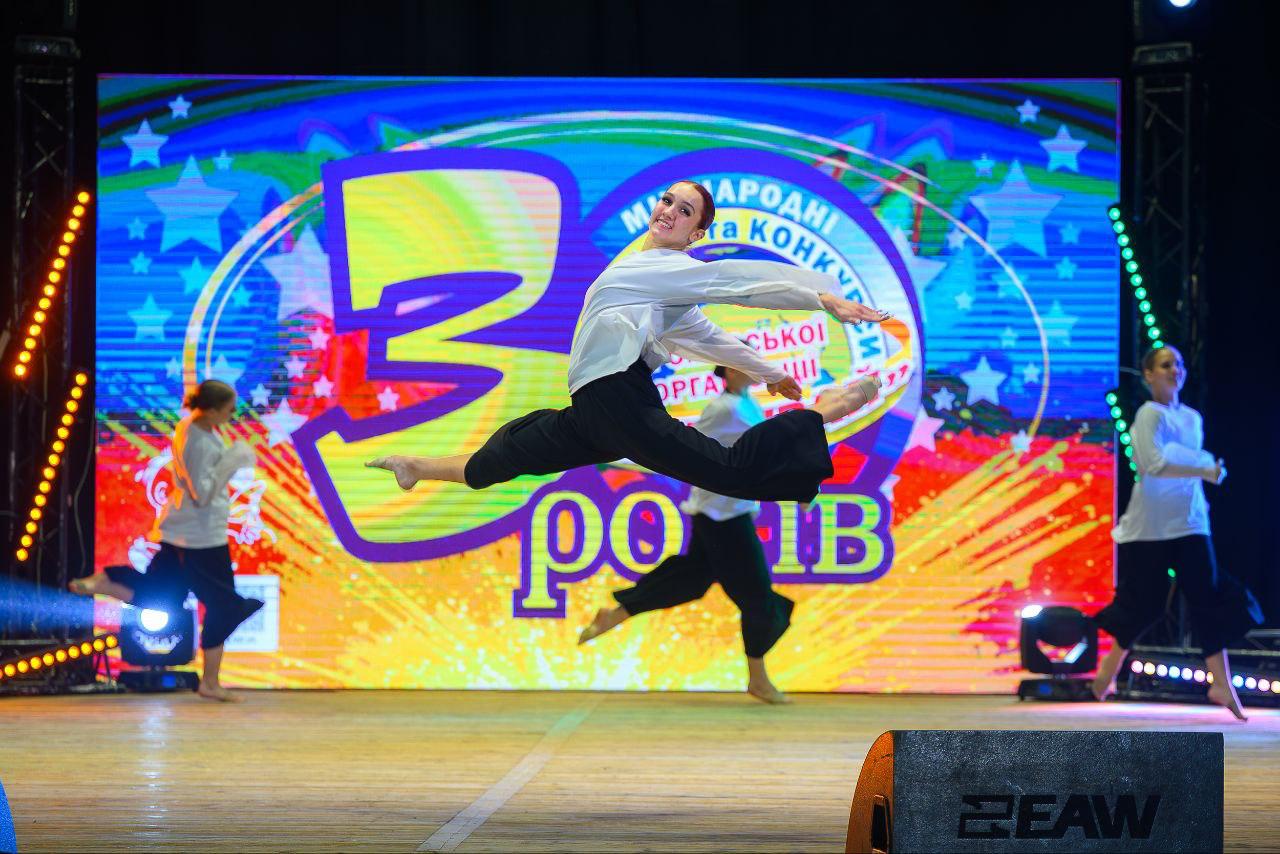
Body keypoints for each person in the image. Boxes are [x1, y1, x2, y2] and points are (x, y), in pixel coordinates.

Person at [366, 180, 887, 505]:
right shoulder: (646, 274)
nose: (670, 211)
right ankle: (415, 467)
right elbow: (710, 337)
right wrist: (772, 372)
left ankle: (828, 408)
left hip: (620, 402)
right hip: (593, 412)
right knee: (498, 461)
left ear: (695, 235)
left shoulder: (667, 271)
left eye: (685, 211)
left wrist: (820, 300)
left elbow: (736, 285)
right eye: (668, 200)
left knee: (732, 470)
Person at [578, 364, 798, 704]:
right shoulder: (722, 409)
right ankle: (758, 679)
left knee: (688, 581)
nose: (752, 367)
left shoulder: (747, 403)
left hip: (726, 512)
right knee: (757, 597)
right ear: (729, 371)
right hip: (723, 518)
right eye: (743, 361)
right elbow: (679, 451)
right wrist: (622, 459)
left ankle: (615, 615)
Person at [1091, 346, 1263, 719]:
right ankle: (1108, 671)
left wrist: (1208, 471)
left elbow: (1187, 462)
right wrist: (1203, 469)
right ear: (1149, 374)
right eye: (1166, 365)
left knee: (1208, 597)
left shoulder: (1192, 418)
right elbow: (1153, 465)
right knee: (1147, 604)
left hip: (1190, 522)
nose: (1175, 370)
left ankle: (1222, 684)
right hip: (1152, 527)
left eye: (1179, 364)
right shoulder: (1148, 414)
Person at [70, 379, 264, 702]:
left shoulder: (193, 428)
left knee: (166, 596)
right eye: (229, 410)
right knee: (224, 606)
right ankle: (210, 683)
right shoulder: (198, 440)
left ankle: (106, 581)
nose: (232, 416)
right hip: (200, 539)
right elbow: (203, 494)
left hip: (187, 533)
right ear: (211, 410)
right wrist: (234, 460)